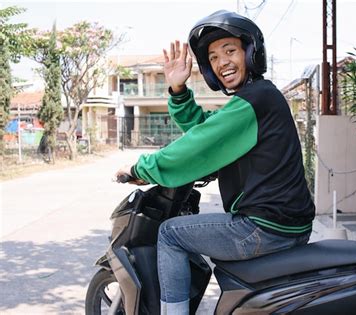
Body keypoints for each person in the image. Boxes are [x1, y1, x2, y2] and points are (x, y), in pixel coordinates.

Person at [115, 10, 315, 314]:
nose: (222, 62)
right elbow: (205, 130)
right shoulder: (257, 97)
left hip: (264, 227)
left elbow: (196, 145)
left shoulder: (254, 99)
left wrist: (139, 168)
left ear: (251, 53)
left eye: (230, 51)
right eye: (213, 57)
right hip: (286, 224)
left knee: (169, 233)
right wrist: (179, 90)